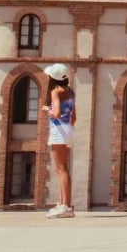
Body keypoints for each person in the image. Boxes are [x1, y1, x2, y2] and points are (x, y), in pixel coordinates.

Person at [41, 64, 76, 219]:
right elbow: (74, 117)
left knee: (61, 169)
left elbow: (56, 113)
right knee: (63, 168)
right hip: (68, 129)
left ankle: (66, 206)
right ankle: (63, 204)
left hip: (59, 130)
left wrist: (46, 110)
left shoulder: (56, 91)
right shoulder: (70, 91)